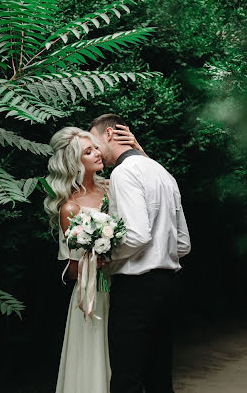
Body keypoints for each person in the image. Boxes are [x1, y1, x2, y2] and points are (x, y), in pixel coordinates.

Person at [89, 113, 191, 393]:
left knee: (126, 376)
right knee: (159, 375)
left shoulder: (123, 172)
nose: (96, 152)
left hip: (136, 288)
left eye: (95, 143)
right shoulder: (162, 172)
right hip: (169, 284)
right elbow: (183, 244)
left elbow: (137, 234)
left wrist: (104, 256)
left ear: (109, 134)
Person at [44, 125, 145, 393]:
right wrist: (97, 260)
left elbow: (147, 183)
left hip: (123, 286)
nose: (97, 153)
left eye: (95, 147)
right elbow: (72, 268)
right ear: (75, 163)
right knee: (91, 358)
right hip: (91, 294)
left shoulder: (113, 188)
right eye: (88, 152)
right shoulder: (70, 207)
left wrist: (137, 150)